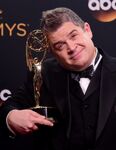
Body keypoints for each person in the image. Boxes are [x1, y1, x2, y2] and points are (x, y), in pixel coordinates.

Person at [0, 7, 116, 150]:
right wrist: (11, 117)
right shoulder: (44, 73)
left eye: (73, 36)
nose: (71, 48)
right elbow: (11, 104)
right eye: (60, 45)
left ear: (87, 30)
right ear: (52, 52)